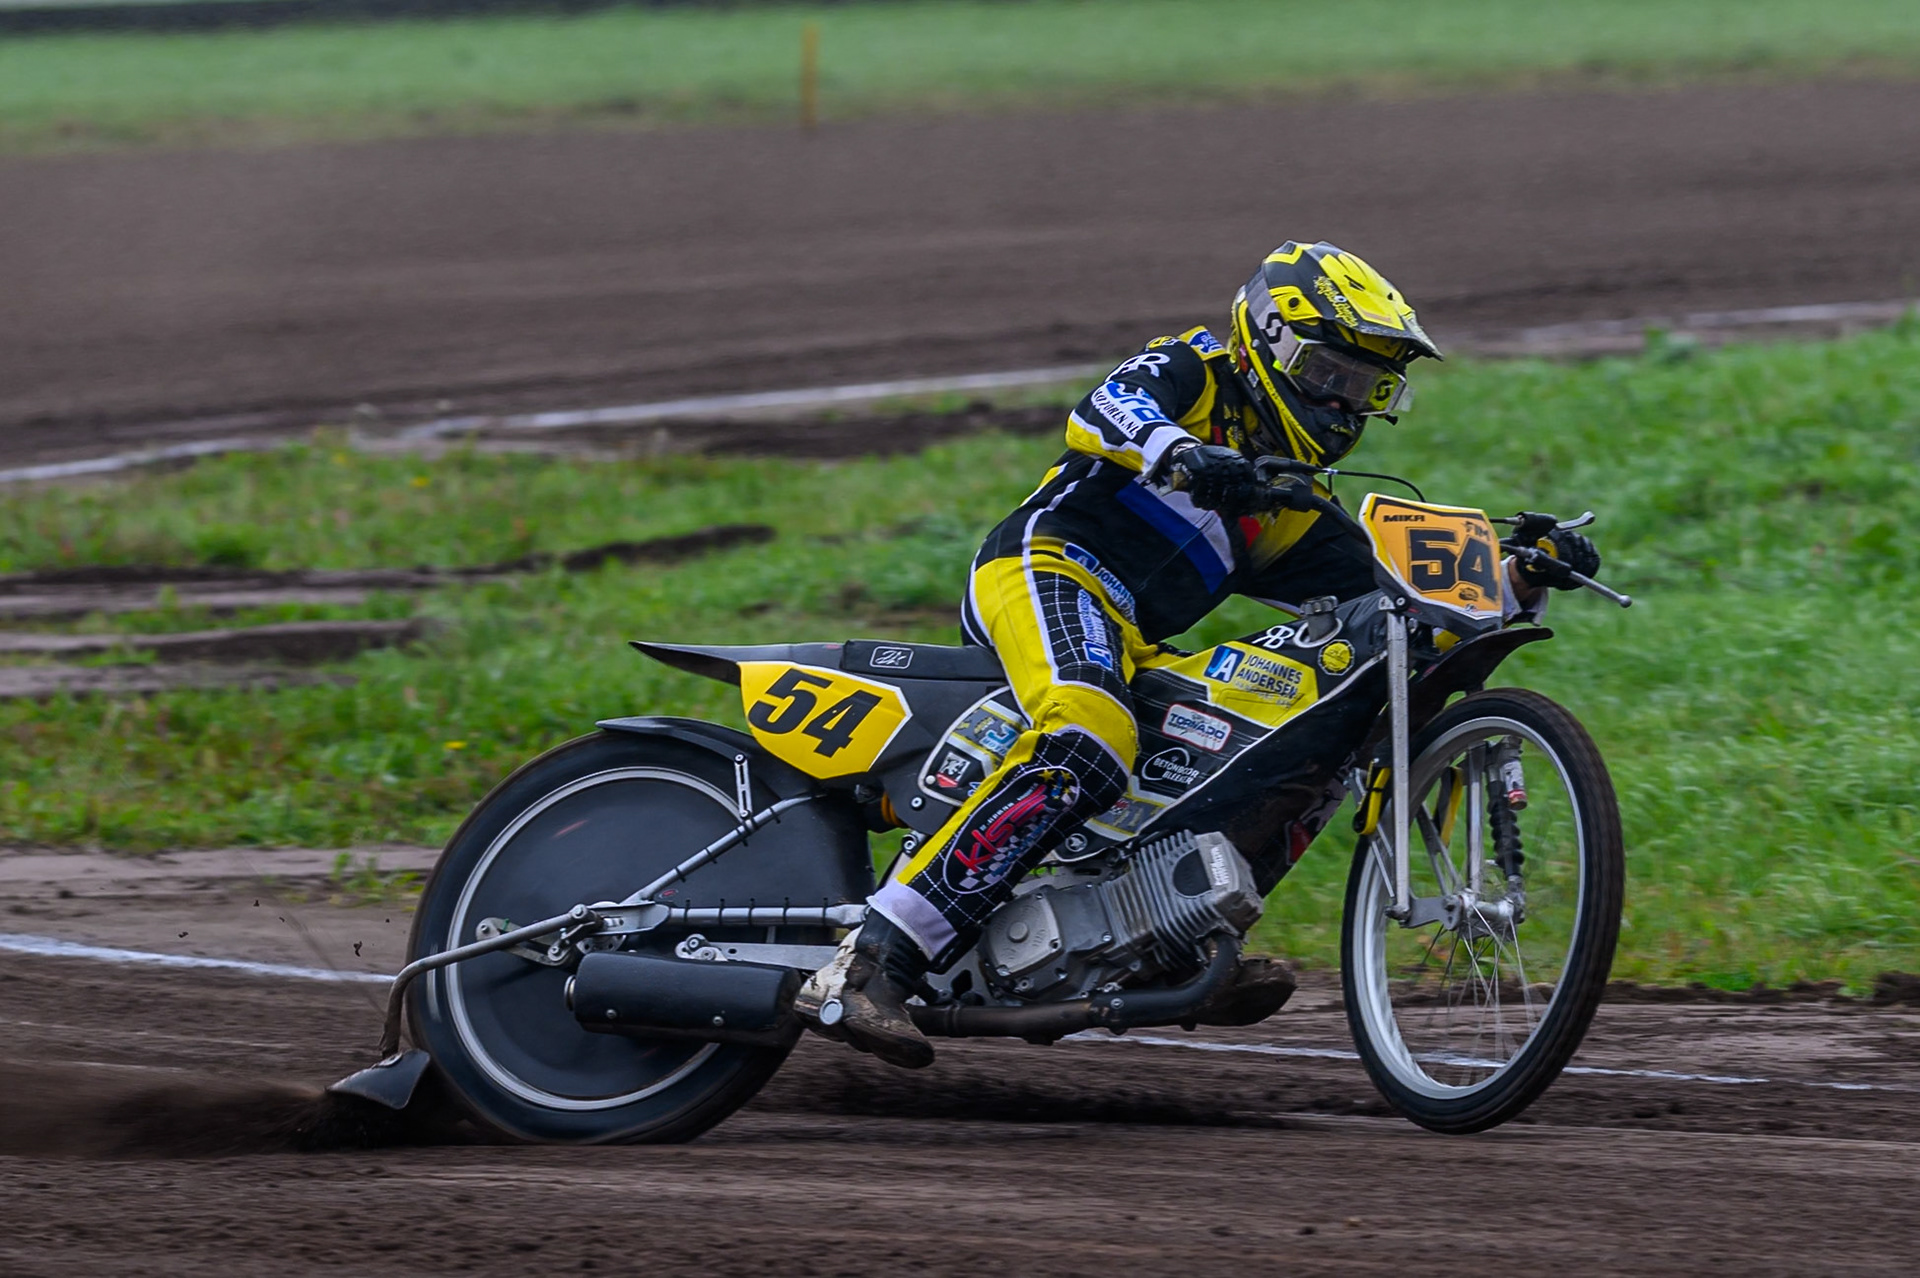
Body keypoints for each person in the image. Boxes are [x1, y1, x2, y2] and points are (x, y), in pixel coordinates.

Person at [810, 241, 1600, 1068]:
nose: (1344, 406)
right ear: (1268, 340)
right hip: (1045, 568)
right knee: (1088, 736)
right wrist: (1180, 454)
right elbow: (1100, 411)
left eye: (1369, 389)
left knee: (1304, 743)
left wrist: (1523, 575)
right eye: (1330, 375)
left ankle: (1167, 934)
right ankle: (871, 960)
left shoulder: (1287, 500)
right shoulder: (1193, 368)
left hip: (1138, 640)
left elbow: (1404, 599)